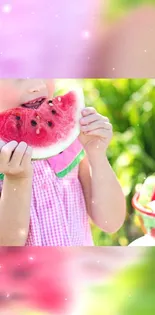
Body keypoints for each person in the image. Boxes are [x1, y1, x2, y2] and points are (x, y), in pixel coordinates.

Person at [0, 79, 126, 246]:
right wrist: (16, 181)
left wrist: (97, 156)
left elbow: (111, 221)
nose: (38, 85)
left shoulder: (71, 144)